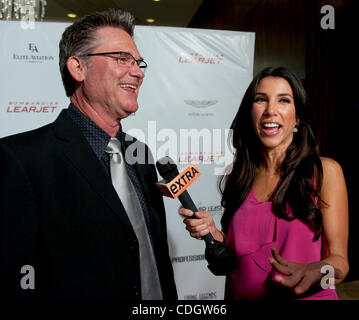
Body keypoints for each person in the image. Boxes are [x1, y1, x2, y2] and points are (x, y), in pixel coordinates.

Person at [0, 9, 177, 300]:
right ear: (78, 67)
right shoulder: (21, 160)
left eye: (138, 62)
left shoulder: (141, 155)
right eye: (122, 59)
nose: (138, 72)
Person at [180, 67, 349, 300]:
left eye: (283, 100)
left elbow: (340, 264)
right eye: (261, 100)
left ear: (298, 116)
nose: (271, 111)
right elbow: (235, 260)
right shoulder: (236, 176)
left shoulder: (324, 172)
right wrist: (213, 234)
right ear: (250, 112)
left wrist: (315, 271)